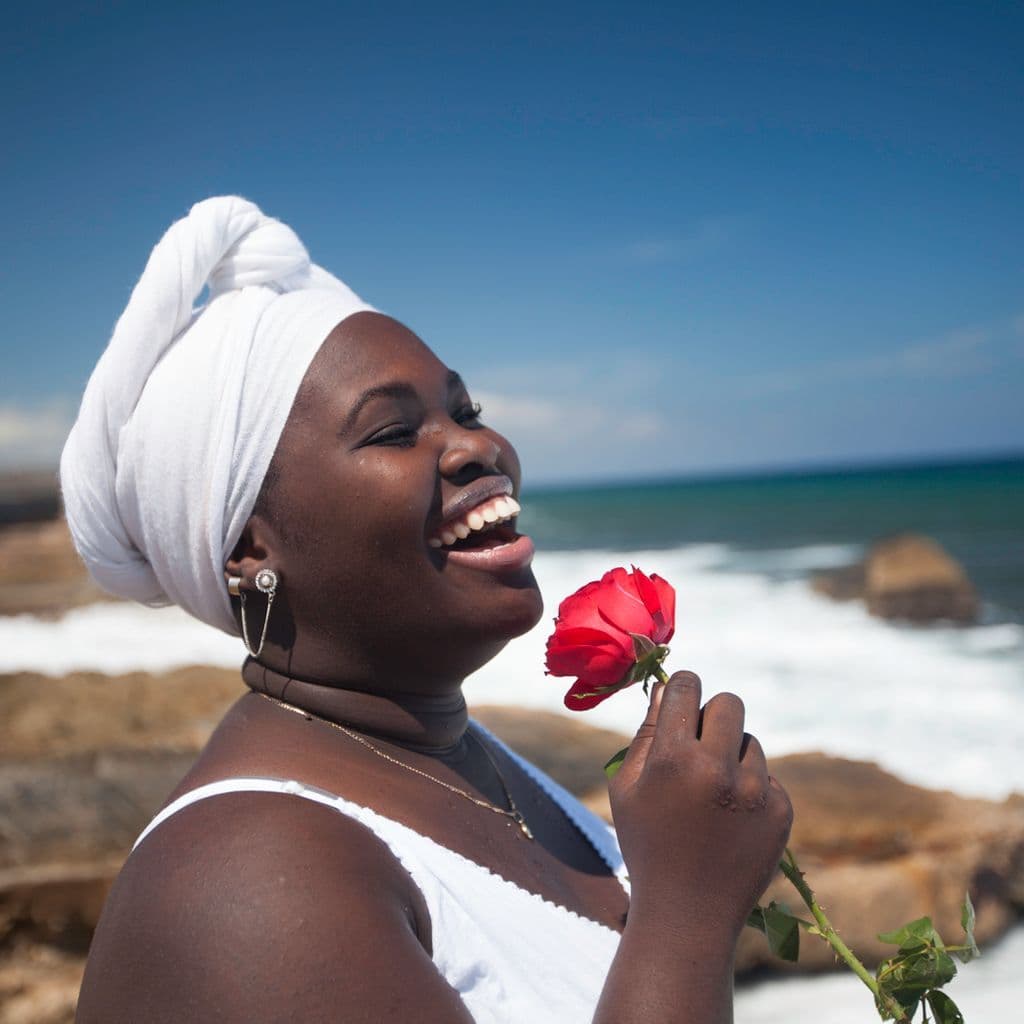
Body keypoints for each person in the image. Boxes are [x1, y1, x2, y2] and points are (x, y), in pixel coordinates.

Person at [62, 197, 792, 1023]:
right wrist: (688, 910)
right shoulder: (243, 882)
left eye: (466, 410)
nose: (480, 447)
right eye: (391, 432)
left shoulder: (462, 756)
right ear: (251, 550)